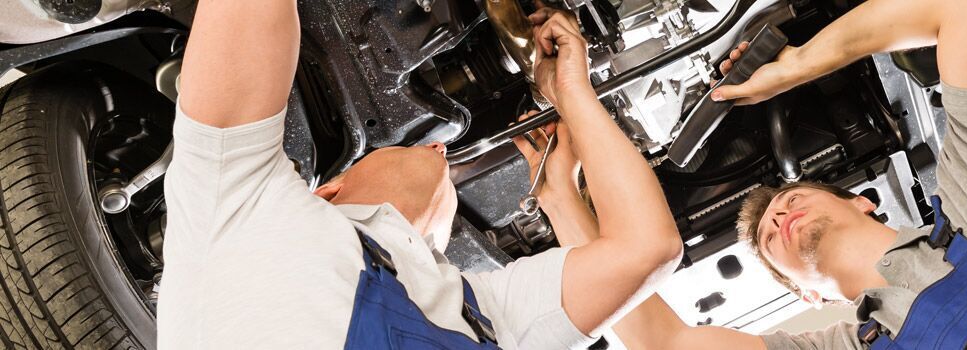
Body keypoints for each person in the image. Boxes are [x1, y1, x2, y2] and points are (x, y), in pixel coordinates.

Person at [524, 0, 967, 348]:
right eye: (768, 240)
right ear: (812, 301)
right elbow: (660, 337)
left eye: (776, 218)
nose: (777, 220)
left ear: (869, 206)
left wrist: (803, 62)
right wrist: (562, 199)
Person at [161, 0, 681, 348]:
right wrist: (574, 93)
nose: (441, 148)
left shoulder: (236, 206)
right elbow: (646, 249)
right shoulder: (487, 313)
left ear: (329, 189)